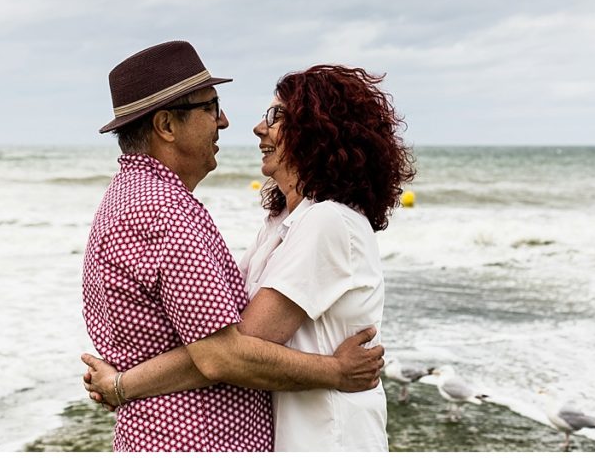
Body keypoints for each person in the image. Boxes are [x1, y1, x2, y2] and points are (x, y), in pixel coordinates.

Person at [84, 62, 414, 451]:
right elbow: (225, 348)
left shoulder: (328, 221)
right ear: (167, 126)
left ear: (319, 129)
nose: (246, 125)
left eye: (276, 116)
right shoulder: (273, 222)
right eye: (211, 106)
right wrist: (334, 370)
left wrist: (123, 385)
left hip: (324, 437)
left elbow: (235, 345)